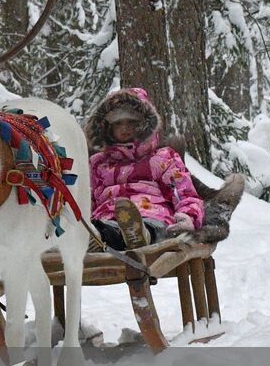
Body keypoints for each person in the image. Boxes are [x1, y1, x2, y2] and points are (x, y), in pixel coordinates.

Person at [85, 87, 203, 250]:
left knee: (154, 226)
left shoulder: (162, 158)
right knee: (104, 229)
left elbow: (183, 192)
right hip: (108, 217)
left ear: (144, 124)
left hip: (152, 213)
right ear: (107, 127)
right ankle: (100, 236)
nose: (125, 128)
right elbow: (88, 198)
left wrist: (188, 215)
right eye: (118, 123)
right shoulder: (98, 164)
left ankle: (142, 235)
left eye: (131, 122)